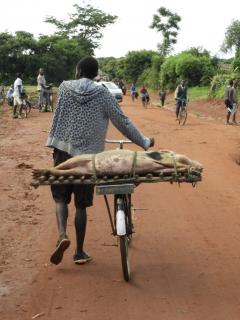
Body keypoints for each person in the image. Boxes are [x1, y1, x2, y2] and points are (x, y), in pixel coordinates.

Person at [46, 56, 154, 266]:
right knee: (81, 205)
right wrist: (144, 142)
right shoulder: (103, 93)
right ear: (96, 75)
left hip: (62, 150)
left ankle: (62, 235)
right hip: (88, 157)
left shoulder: (65, 87)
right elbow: (123, 122)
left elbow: (58, 114)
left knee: (60, 198)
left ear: (78, 71)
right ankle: (79, 252)